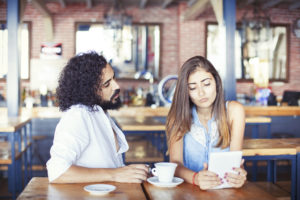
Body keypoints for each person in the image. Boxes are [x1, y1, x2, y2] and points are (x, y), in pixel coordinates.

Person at [46, 52, 148, 183]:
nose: (116, 86)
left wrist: (127, 173)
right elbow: (56, 171)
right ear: (88, 90)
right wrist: (115, 174)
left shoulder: (99, 111)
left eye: (114, 78)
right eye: (107, 84)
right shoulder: (78, 115)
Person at [166, 56, 247, 190]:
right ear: (186, 92)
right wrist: (196, 178)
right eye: (193, 88)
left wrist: (239, 175)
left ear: (216, 82)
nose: (201, 92)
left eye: (207, 84)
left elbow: (236, 163)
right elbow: (175, 164)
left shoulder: (234, 111)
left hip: (225, 192)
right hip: (188, 191)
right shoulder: (178, 117)